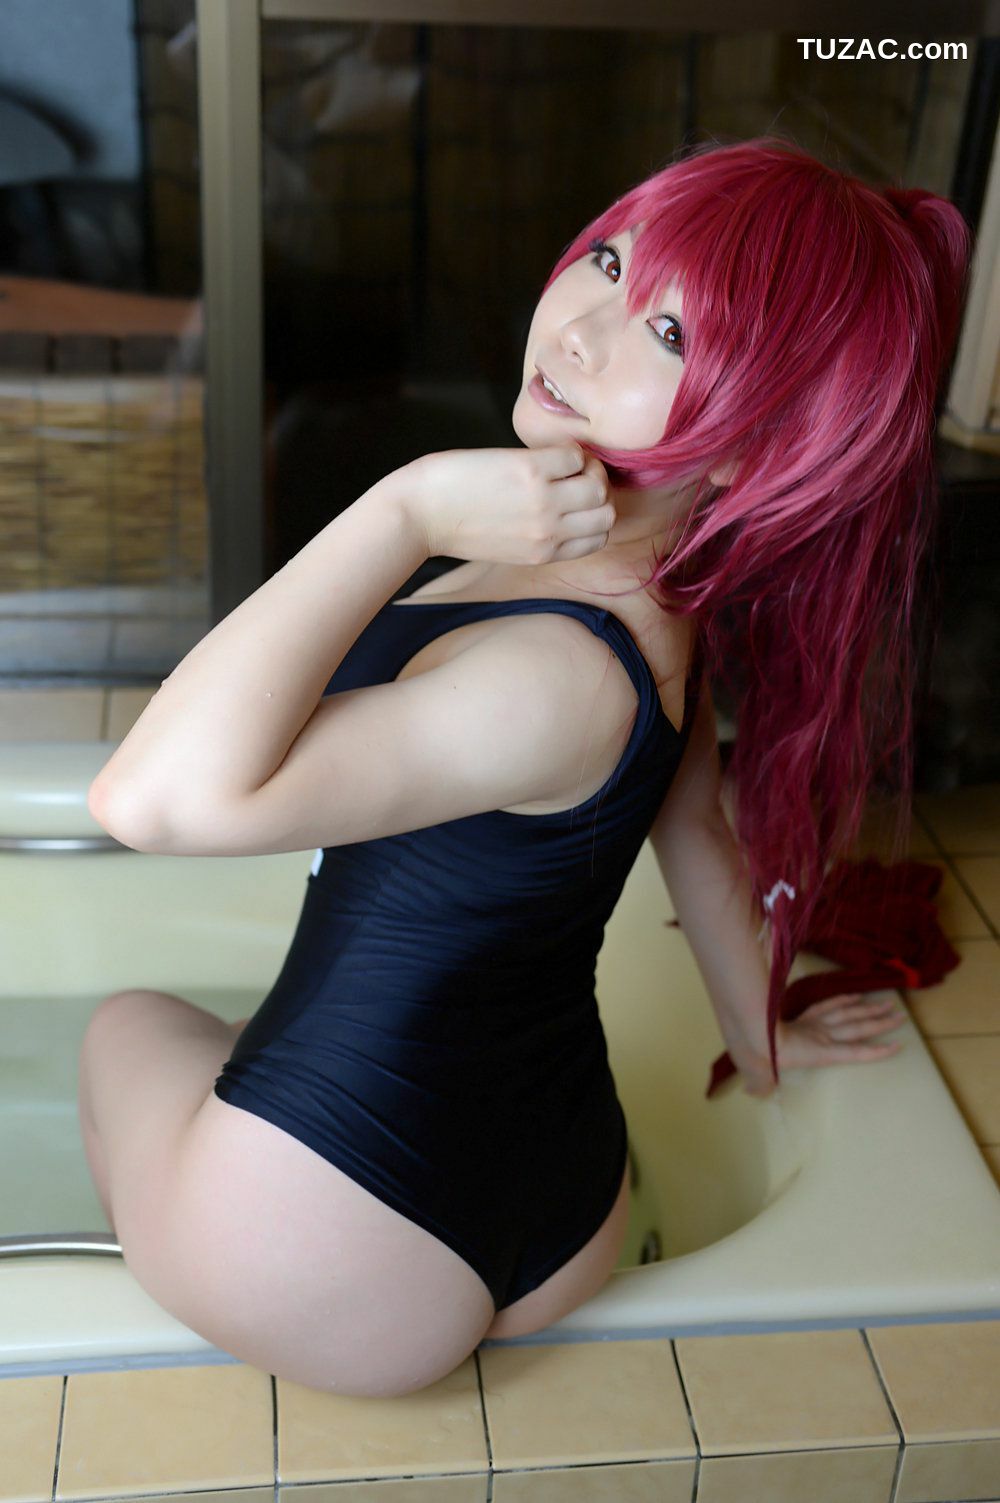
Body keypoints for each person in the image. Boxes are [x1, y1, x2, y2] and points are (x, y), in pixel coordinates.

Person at [78, 135, 972, 1398]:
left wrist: (402, 509)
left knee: (124, 1023)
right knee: (240, 1027)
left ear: (755, 449)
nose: (582, 330)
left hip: (326, 1248)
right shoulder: (658, 612)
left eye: (669, 334)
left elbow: (148, 799)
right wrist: (759, 1040)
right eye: (607, 262)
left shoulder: (548, 677)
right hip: (565, 1198)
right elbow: (697, 838)